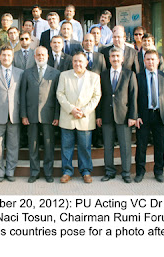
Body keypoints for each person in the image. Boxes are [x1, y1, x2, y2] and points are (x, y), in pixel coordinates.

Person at [57, 52, 101, 184]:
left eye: (81, 61)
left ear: (86, 62)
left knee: (85, 147)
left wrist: (83, 111)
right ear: (72, 62)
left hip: (85, 118)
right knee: (66, 147)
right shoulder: (64, 75)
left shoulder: (94, 77)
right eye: (75, 61)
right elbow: (60, 94)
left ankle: (86, 171)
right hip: (68, 116)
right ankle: (66, 172)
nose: (78, 64)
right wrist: (71, 109)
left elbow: (96, 96)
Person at [96, 48, 137, 183]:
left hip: (124, 116)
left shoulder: (129, 74)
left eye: (118, 56)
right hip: (107, 116)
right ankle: (109, 171)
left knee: (125, 146)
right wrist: (99, 116)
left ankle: (126, 173)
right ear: (109, 59)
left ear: (123, 58)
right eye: (112, 56)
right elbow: (100, 97)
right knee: (108, 146)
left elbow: (133, 97)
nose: (115, 59)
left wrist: (133, 116)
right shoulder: (103, 74)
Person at [20, 46, 60, 183]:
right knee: (33, 145)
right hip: (31, 115)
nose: (40, 57)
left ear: (48, 56)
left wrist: (57, 116)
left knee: (49, 145)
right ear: (34, 56)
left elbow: (57, 97)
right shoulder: (27, 73)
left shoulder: (55, 73)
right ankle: (34, 172)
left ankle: (48, 173)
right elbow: (22, 95)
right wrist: (23, 115)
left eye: (43, 54)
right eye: (38, 55)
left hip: (48, 115)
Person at [0, 46, 24, 182]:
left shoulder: (20, 73)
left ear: (12, 57)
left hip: (14, 114)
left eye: (8, 55)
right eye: (4, 55)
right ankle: (0, 172)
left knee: (13, 145)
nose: (6, 58)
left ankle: (10, 171)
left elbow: (22, 95)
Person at [135, 50, 164, 183]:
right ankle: (140, 172)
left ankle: (159, 171)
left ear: (158, 61)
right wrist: (136, 116)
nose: (150, 62)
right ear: (144, 61)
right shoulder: (138, 77)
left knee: (159, 145)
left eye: (153, 59)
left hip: (159, 115)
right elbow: (134, 98)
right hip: (143, 116)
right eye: (148, 59)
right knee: (141, 145)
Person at [82, 33, 106, 148]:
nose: (88, 43)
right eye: (86, 41)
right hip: (82, 91)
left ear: (94, 42)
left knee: (97, 115)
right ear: (83, 43)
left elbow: (104, 73)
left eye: (90, 41)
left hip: (96, 90)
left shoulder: (100, 56)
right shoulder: (78, 56)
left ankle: (97, 140)